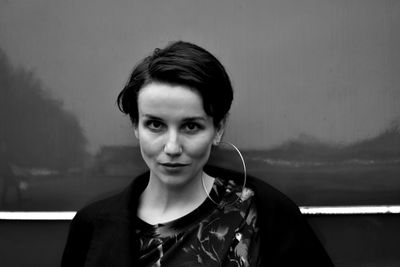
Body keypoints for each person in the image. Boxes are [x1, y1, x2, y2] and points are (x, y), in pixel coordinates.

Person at [62, 41, 334, 266]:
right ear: (135, 125)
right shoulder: (92, 226)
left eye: (191, 126)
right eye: (155, 124)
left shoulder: (264, 217)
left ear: (218, 129)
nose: (172, 147)